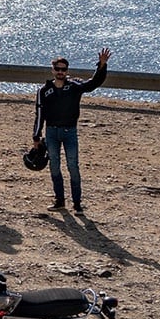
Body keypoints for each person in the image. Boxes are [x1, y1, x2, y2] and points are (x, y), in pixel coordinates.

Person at [31, 48, 111, 212]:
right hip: (51, 132)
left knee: (73, 166)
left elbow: (93, 84)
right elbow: (39, 114)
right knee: (54, 166)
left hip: (70, 132)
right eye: (57, 69)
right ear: (53, 70)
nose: (60, 72)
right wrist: (36, 137)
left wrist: (102, 66)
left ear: (67, 71)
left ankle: (77, 203)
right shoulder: (43, 91)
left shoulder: (74, 86)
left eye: (63, 69)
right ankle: (59, 201)